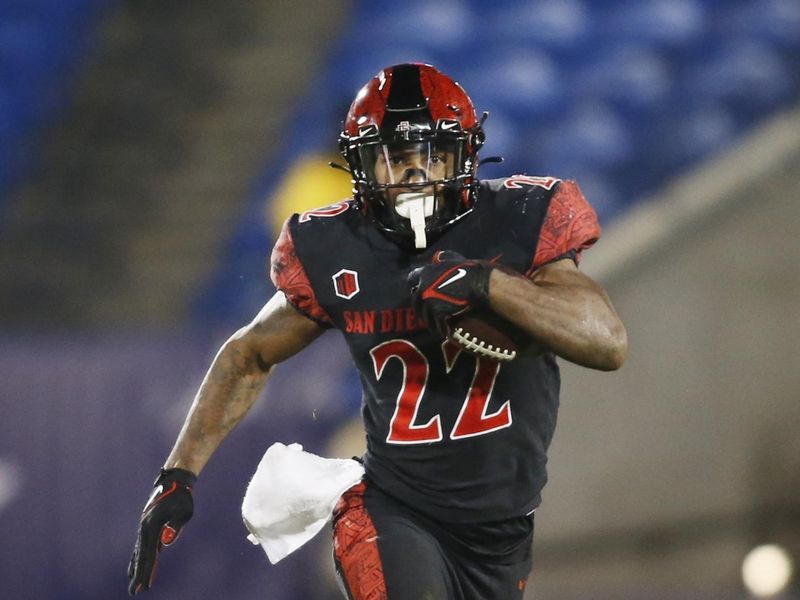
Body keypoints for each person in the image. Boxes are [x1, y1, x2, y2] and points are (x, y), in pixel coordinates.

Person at [127, 62, 628, 599]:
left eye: (432, 155)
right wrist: (177, 475)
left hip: (502, 532)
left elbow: (606, 342)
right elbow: (248, 353)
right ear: (361, 167)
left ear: (465, 154)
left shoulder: (522, 216)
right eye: (395, 159)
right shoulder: (338, 244)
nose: (416, 175)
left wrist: (487, 283)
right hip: (393, 508)